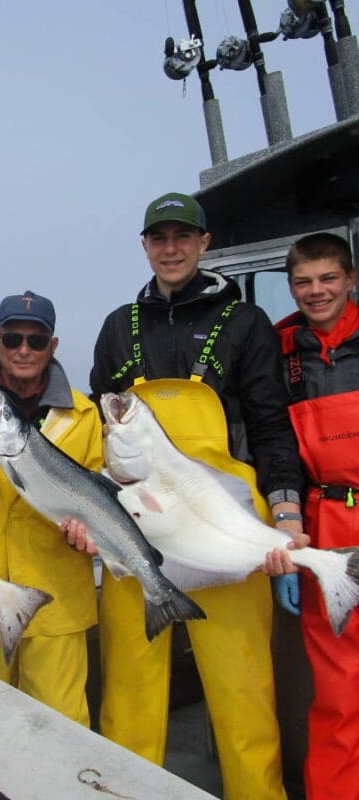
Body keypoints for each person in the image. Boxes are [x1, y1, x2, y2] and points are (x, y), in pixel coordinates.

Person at [88, 192, 307, 800]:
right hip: (139, 527)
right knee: (128, 689)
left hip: (225, 527)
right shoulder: (115, 328)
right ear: (145, 246)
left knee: (244, 691)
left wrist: (286, 516)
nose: (171, 248)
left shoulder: (245, 323)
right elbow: (95, 432)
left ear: (204, 243)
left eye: (183, 236)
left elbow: (270, 427)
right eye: (158, 238)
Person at [0, 290, 102, 727]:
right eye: (12, 338)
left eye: (36, 339)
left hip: (57, 603)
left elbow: (101, 498)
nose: (23, 349)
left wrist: (90, 538)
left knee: (65, 732)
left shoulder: (86, 414)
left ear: (54, 346)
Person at [265, 232, 359, 800]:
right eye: (303, 281)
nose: (316, 291)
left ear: (350, 279)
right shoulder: (278, 353)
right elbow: (272, 444)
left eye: (328, 278)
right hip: (320, 523)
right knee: (338, 686)